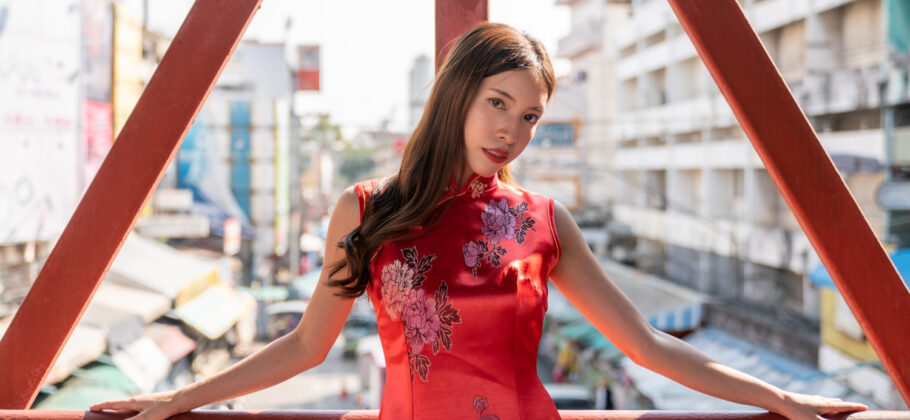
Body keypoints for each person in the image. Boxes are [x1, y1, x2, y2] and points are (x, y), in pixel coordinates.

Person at [90, 22, 868, 419]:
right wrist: (173, 402)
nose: (512, 132)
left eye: (529, 117)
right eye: (498, 103)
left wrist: (781, 402)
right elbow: (304, 344)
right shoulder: (365, 211)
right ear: (457, 94)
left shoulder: (543, 220)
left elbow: (646, 342)